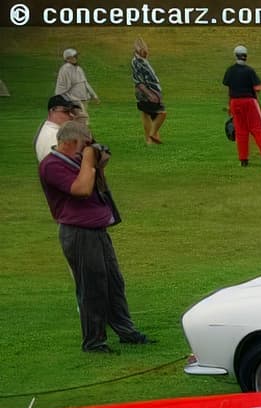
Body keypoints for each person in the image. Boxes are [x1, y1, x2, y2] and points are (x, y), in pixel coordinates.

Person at [39, 120, 152, 352]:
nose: (88, 147)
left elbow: (95, 184)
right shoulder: (51, 165)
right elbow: (81, 190)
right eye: (85, 143)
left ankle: (125, 330)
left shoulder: (78, 161)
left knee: (113, 282)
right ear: (70, 142)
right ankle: (94, 341)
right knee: (92, 286)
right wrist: (90, 160)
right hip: (78, 232)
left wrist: (98, 165)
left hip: (96, 230)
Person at [222, 45, 261, 167]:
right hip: (249, 102)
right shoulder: (249, 70)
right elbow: (258, 87)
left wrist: (229, 106)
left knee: (241, 132)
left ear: (235, 55)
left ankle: (243, 159)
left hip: (235, 102)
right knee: (258, 130)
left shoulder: (230, 70)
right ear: (246, 56)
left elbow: (229, 88)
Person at [131, 42, 166, 145]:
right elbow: (139, 81)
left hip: (146, 92)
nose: (147, 52)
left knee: (146, 114)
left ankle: (150, 141)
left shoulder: (141, 60)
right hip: (147, 93)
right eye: (144, 50)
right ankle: (152, 134)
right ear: (138, 51)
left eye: (147, 50)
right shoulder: (138, 62)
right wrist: (150, 95)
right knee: (162, 113)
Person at [37, 95, 84, 163]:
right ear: (52, 111)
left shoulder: (46, 127)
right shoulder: (53, 136)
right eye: (66, 111)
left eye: (72, 112)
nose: (72, 115)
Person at [56, 48, 98, 118]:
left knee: (83, 118)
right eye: (73, 57)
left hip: (83, 98)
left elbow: (85, 82)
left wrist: (94, 95)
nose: (75, 58)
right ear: (67, 59)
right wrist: (69, 99)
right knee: (77, 118)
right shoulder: (65, 69)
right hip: (74, 100)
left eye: (76, 56)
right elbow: (63, 86)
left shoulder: (78, 68)